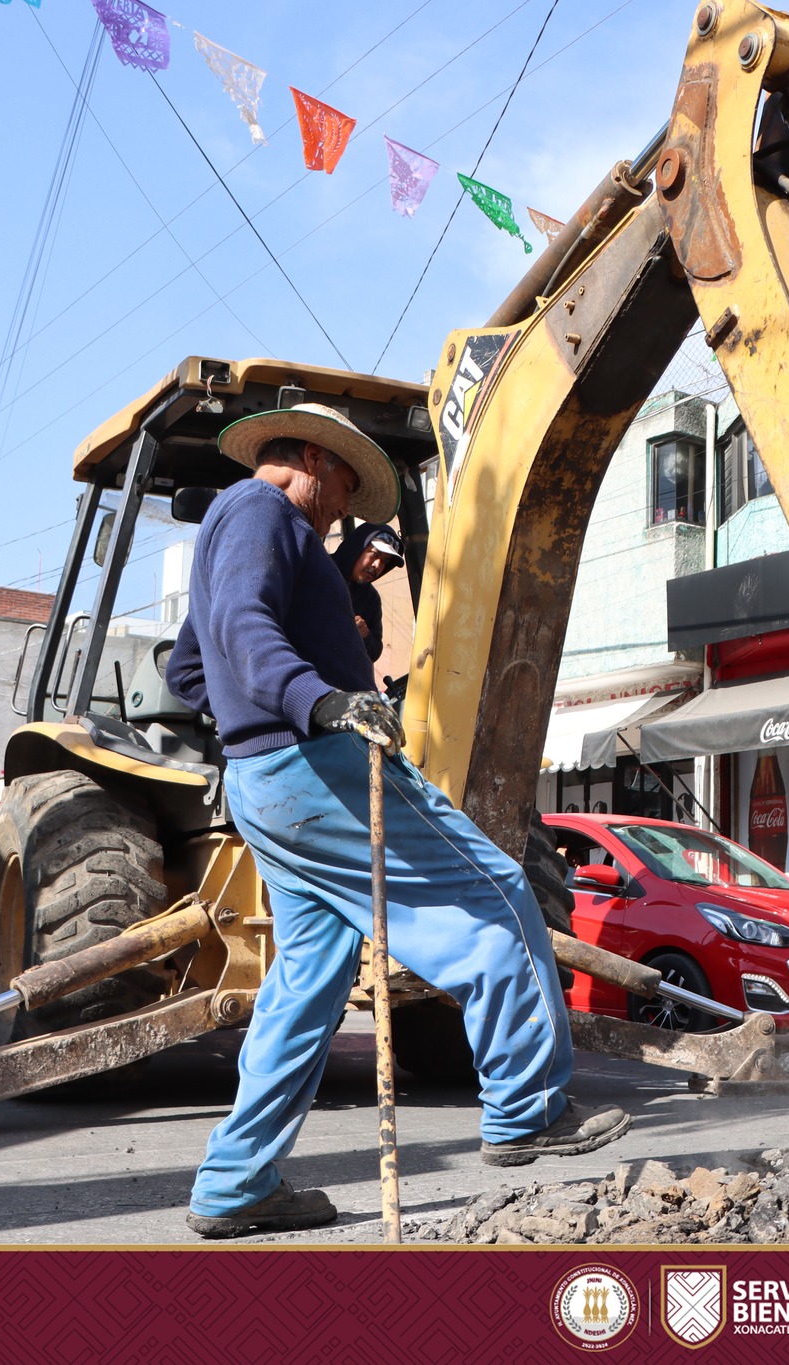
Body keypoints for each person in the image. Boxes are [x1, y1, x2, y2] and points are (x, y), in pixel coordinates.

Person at [166, 401, 630, 1239]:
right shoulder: (261, 511)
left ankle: (236, 1186)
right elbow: (240, 629)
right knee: (497, 891)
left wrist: (251, 726)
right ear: (310, 456)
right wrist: (320, 703)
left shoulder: (248, 532)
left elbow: (189, 668)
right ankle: (526, 1110)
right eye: (343, 484)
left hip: (266, 779)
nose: (344, 508)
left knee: (308, 980)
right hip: (318, 771)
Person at [331, 520, 406, 671]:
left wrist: (364, 635)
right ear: (357, 548)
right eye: (375, 554)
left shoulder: (371, 599)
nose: (377, 566)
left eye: (385, 561)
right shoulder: (319, 570)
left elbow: (374, 651)